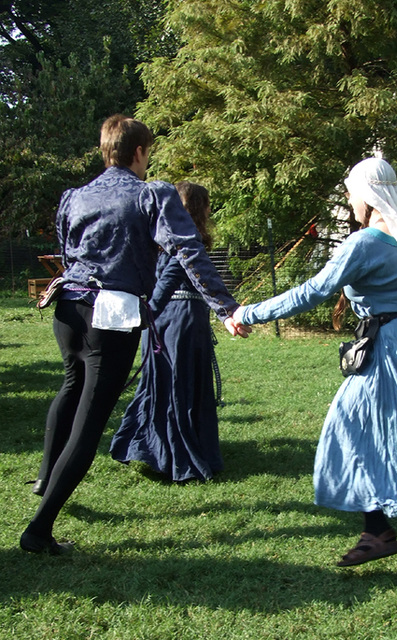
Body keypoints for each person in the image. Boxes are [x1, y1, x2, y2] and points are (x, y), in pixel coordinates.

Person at [233, 157, 397, 567]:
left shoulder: (365, 243)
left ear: (369, 195)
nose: (348, 198)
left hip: (390, 345)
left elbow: (312, 291)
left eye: (351, 192)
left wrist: (247, 313)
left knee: (350, 425)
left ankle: (378, 531)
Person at [21, 114, 249, 555]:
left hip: (67, 309)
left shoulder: (74, 196)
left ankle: (46, 480)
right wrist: (226, 307)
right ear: (140, 152)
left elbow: (69, 252)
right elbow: (188, 250)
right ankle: (38, 530)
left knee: (70, 388)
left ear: (106, 150)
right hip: (110, 317)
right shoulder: (152, 193)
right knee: (89, 423)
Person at [110, 181, 224, 481]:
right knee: (178, 386)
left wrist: (147, 316)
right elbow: (168, 279)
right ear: (200, 208)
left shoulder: (159, 239)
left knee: (167, 385)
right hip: (177, 322)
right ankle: (175, 457)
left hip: (166, 321)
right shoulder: (186, 242)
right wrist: (149, 314)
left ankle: (155, 449)